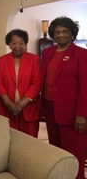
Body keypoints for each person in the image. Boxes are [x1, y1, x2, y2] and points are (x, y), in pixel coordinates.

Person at [41, 16, 87, 179]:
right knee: (57, 152)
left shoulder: (82, 54)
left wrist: (82, 114)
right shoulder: (47, 52)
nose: (60, 35)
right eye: (57, 32)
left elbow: (85, 86)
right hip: (50, 109)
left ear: (72, 33)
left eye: (65, 31)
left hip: (72, 113)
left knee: (74, 154)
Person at [0, 29, 41, 138]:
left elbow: (36, 83)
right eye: (14, 43)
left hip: (29, 109)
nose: (18, 46)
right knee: (9, 140)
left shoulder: (33, 59)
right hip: (7, 109)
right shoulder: (2, 60)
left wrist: (20, 104)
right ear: (9, 45)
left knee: (29, 141)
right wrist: (9, 104)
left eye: (21, 43)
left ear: (25, 44)